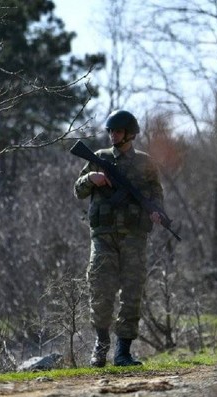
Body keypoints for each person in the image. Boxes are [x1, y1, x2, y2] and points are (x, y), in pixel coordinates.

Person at [74, 109, 164, 367]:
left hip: (135, 237)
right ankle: (101, 346)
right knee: (100, 290)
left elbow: (156, 195)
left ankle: (123, 352)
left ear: (130, 134)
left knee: (132, 293)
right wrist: (91, 178)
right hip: (103, 237)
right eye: (111, 131)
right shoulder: (99, 158)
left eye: (118, 131)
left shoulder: (146, 163)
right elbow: (78, 190)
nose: (113, 135)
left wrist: (157, 212)